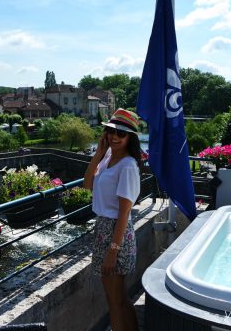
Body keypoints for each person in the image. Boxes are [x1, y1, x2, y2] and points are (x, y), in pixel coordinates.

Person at [83, 108, 141, 331]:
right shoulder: (108, 157)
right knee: (118, 297)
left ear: (130, 138)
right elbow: (87, 184)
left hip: (116, 233)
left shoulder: (127, 166)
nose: (115, 137)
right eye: (111, 131)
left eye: (121, 134)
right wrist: (98, 153)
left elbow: (124, 213)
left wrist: (113, 251)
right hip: (104, 229)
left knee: (114, 301)